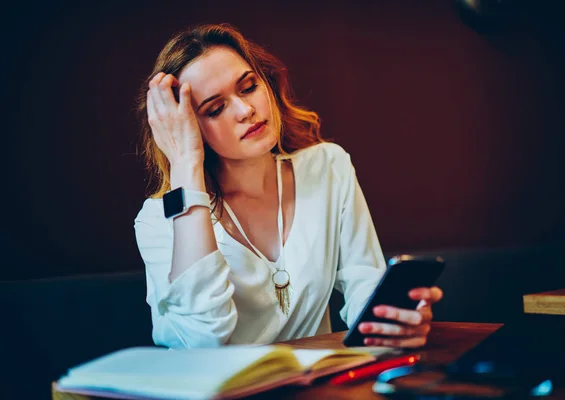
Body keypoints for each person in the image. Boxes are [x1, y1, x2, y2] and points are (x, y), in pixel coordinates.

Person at [134, 23, 443, 349]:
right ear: (186, 129)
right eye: (216, 108)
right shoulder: (158, 220)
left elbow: (363, 280)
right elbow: (202, 339)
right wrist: (185, 164)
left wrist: (395, 321)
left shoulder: (327, 166)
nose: (245, 110)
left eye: (248, 87)